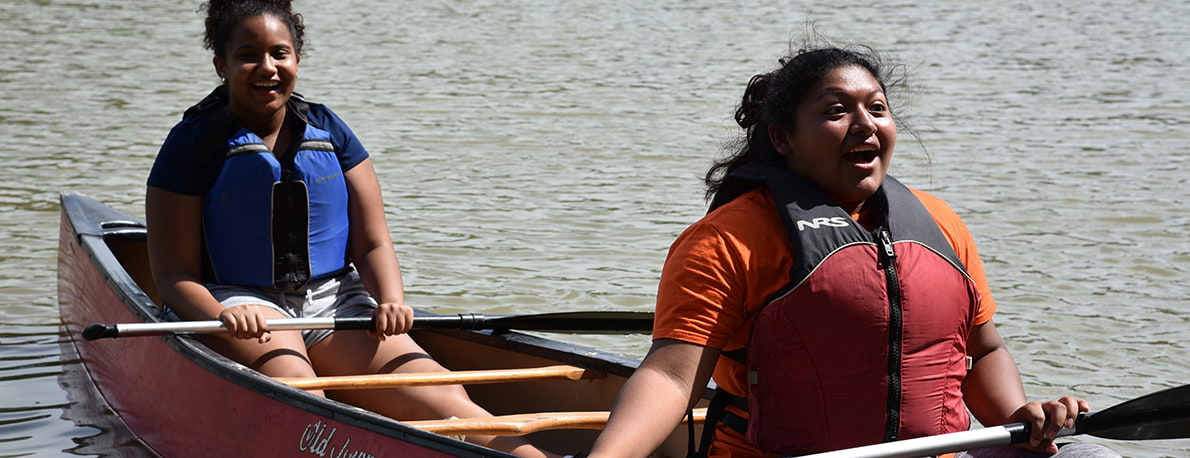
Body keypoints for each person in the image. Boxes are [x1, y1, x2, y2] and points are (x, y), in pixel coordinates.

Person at [586, 45, 1120, 457]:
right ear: (782, 138)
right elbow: (672, 377)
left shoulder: (938, 222)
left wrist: (1018, 418)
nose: (865, 124)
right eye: (837, 111)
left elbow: (982, 352)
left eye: (878, 108)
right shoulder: (729, 240)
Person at [144, 1, 554, 456]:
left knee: (448, 401)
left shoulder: (330, 131)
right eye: (248, 55)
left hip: (335, 300)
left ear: (297, 58)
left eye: (280, 53)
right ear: (221, 63)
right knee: (304, 398)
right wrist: (222, 316)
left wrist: (392, 299)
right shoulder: (192, 143)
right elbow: (172, 277)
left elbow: (373, 241)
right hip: (243, 304)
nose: (267, 68)